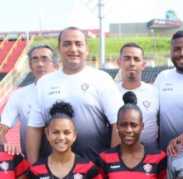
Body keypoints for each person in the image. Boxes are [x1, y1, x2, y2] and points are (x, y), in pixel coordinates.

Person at [27, 27, 123, 163]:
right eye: (67, 44)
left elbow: (117, 123)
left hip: (95, 169)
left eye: (78, 44)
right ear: (59, 49)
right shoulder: (44, 83)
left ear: (87, 49)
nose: (73, 49)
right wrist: (33, 168)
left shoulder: (101, 79)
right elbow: (34, 128)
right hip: (55, 173)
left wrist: (112, 165)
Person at [96, 92, 167, 179]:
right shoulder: (105, 159)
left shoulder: (159, 158)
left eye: (133, 125)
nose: (128, 130)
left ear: (142, 126)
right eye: (123, 125)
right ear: (117, 127)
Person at [0, 44, 58, 155]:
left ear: (55, 65)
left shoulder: (66, 92)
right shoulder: (19, 95)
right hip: (31, 165)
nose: (40, 64)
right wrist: (6, 148)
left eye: (45, 59)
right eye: (35, 60)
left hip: (65, 165)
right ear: (30, 66)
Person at [116, 42, 159, 152]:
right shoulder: (110, 92)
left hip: (150, 161)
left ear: (143, 65)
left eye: (136, 59)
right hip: (118, 160)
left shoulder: (155, 92)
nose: (132, 63)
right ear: (119, 63)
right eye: (127, 58)